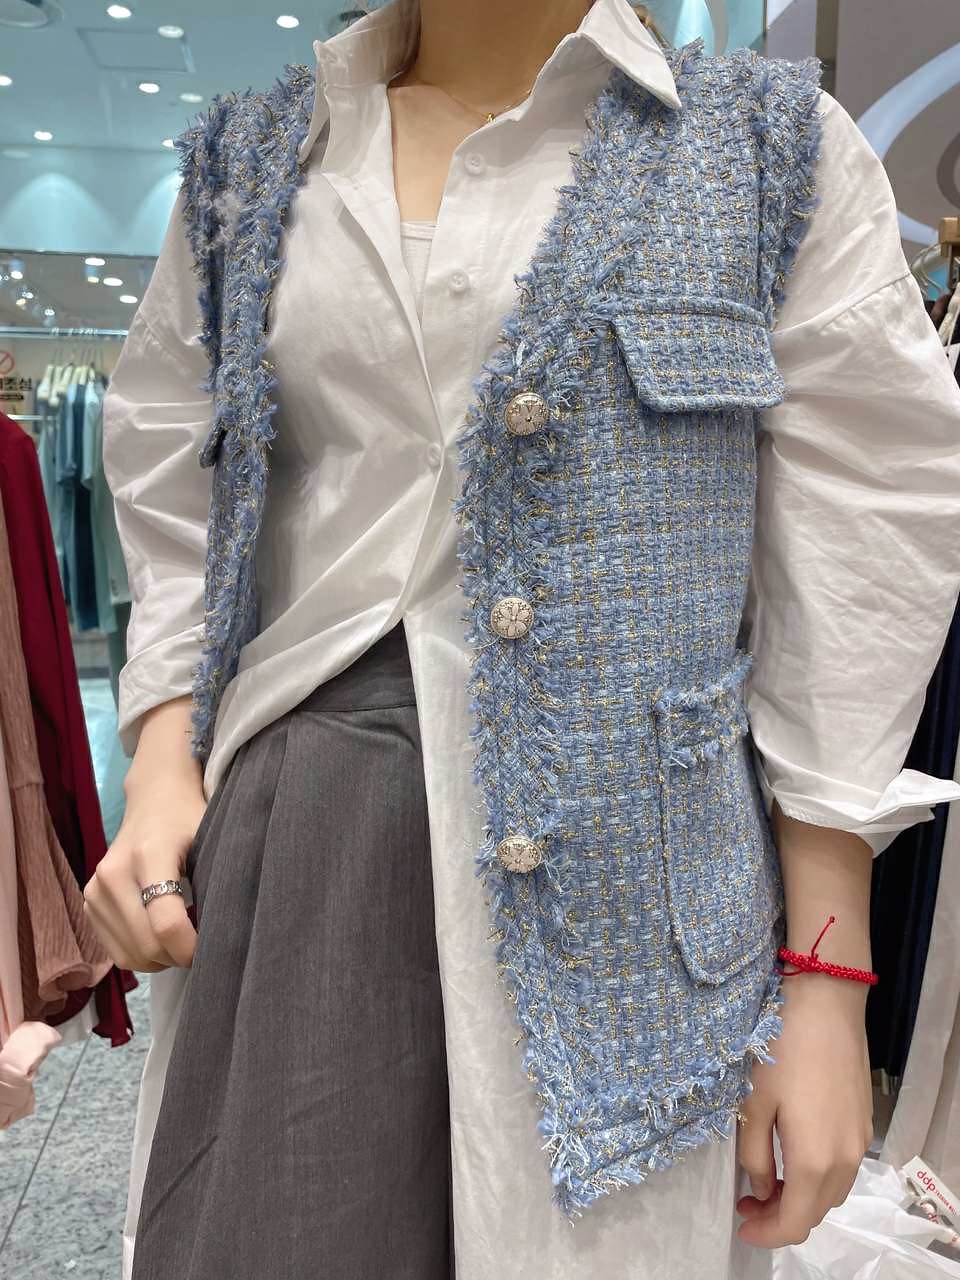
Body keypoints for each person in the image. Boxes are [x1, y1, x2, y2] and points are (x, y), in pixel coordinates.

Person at [83, 0, 960, 1277]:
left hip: (635, 907)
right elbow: (172, 467)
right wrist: (164, 761)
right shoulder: (255, 156)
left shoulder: (768, 147)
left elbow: (864, 537)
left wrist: (826, 975)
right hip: (302, 848)